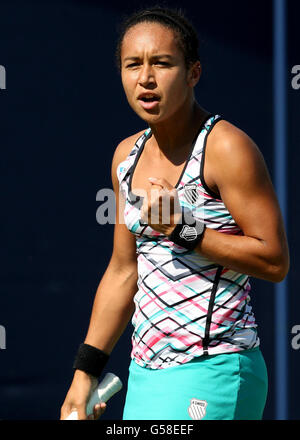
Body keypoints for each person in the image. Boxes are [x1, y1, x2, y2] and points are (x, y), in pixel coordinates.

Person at [60, 6, 289, 420]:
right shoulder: (124, 158)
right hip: (146, 375)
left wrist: (185, 230)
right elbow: (122, 271)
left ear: (193, 73)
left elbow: (274, 261)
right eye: (133, 65)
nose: (146, 78)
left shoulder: (227, 148)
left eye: (162, 63)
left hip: (216, 367)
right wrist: (84, 373)